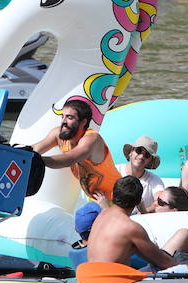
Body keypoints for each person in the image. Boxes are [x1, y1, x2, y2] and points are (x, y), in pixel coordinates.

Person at [34, 98, 123, 229]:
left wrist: (37, 160)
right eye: (63, 117)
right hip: (96, 198)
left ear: (83, 122)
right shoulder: (58, 134)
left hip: (118, 199)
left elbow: (69, 159)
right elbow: (34, 149)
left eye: (69, 117)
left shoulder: (92, 139)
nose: (64, 121)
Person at [84, 176, 188, 268]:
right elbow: (164, 262)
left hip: (92, 277)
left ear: (113, 195)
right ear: (139, 201)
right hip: (113, 281)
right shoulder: (131, 227)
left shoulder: (101, 216)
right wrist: (184, 270)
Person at [120, 135, 165, 211]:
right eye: (139, 150)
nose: (141, 156)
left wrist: (144, 211)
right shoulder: (115, 170)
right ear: (131, 152)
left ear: (150, 161)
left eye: (147, 155)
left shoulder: (154, 180)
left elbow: (161, 202)